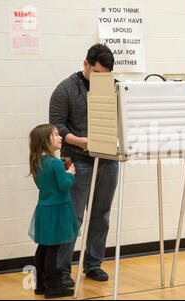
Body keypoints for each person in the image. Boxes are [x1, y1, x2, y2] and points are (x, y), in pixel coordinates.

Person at [49, 43, 119, 287]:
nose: (102, 79)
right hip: (76, 160)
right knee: (73, 216)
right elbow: (57, 126)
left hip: (108, 159)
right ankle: (61, 270)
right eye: (97, 73)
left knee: (101, 215)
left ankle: (93, 264)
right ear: (86, 64)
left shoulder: (115, 88)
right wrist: (79, 142)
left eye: (106, 76)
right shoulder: (65, 89)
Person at [28, 124, 79, 299]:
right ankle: (54, 287)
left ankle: (40, 285)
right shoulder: (56, 163)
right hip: (58, 210)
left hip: (43, 209)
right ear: (45, 141)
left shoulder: (36, 162)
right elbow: (64, 186)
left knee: (43, 246)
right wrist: (70, 173)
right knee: (53, 249)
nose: (60, 138)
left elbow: (41, 185)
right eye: (56, 135)